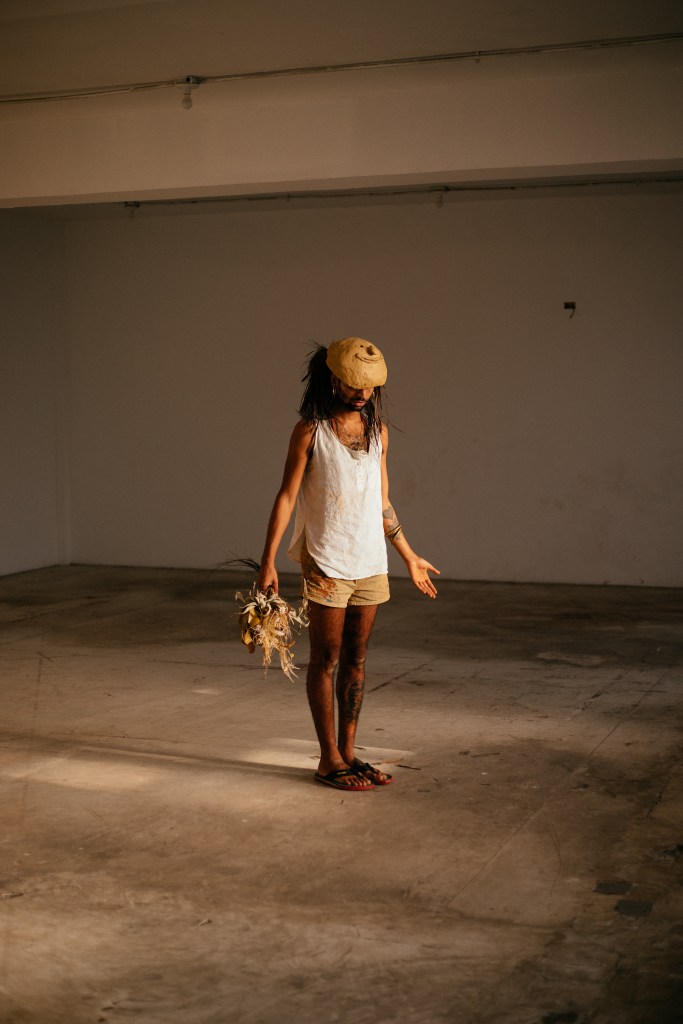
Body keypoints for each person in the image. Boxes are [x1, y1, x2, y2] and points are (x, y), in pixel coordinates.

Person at [257, 337, 439, 791]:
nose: (362, 393)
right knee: (326, 658)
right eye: (354, 384)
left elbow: (382, 502)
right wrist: (268, 562)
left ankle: (350, 753)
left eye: (369, 386)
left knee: (356, 659)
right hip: (327, 561)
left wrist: (409, 555)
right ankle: (328, 759)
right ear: (334, 379)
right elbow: (286, 497)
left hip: (370, 561)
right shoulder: (311, 431)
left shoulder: (378, 432)